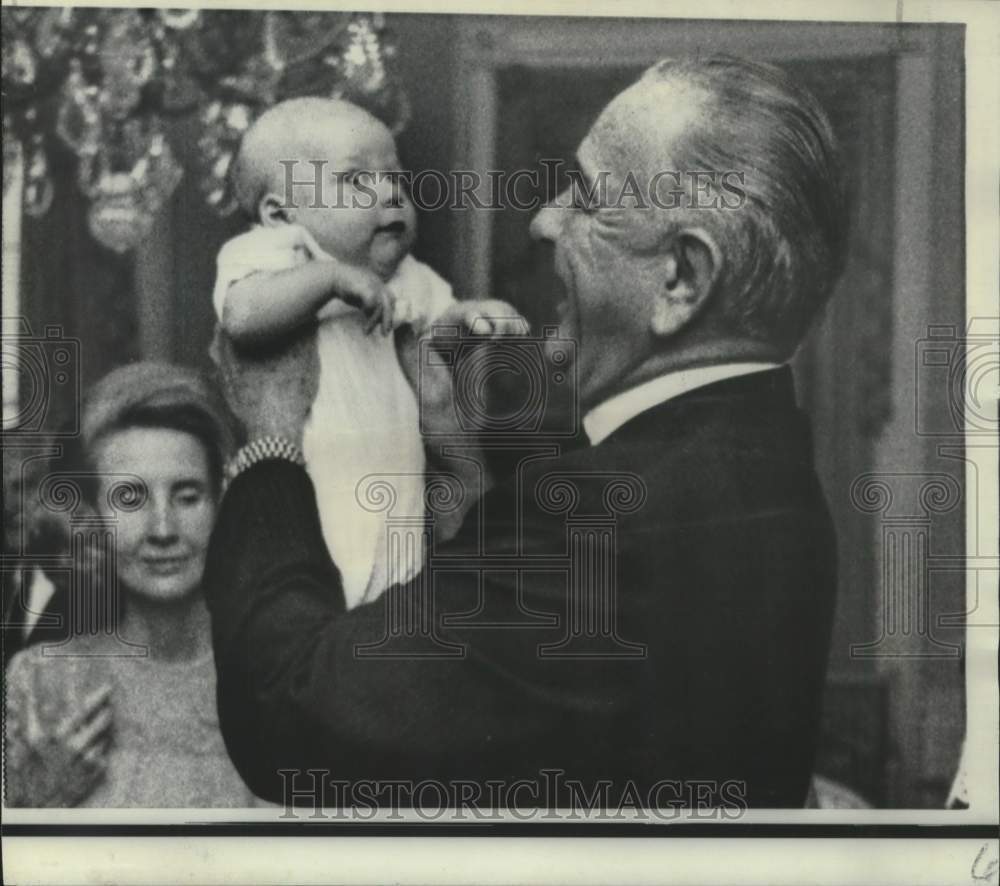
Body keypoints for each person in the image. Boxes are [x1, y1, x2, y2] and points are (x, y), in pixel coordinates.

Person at [205, 55, 849, 809]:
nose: (542, 221)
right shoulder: (761, 468)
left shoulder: (604, 516)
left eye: (584, 197)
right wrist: (458, 470)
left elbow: (289, 710)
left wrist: (271, 438)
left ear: (681, 278)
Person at [215, 97, 521, 607]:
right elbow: (242, 317)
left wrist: (467, 320)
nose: (389, 196)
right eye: (355, 180)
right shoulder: (275, 255)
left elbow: (434, 334)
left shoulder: (406, 277)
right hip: (314, 508)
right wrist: (330, 279)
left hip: (397, 515)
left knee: (397, 613)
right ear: (280, 214)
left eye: (396, 180)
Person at [4, 362, 267, 807]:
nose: (162, 528)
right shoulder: (41, 680)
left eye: (187, 496)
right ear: (93, 516)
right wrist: (32, 802)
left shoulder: (282, 680)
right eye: (130, 498)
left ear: (222, 505)